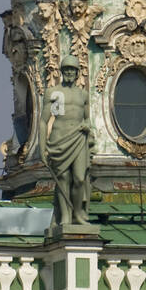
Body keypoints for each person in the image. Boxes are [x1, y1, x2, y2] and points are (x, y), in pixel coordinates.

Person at [39, 56, 94, 236]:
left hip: (78, 137)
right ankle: (65, 216)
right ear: (62, 72)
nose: (70, 72)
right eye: (67, 69)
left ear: (78, 73)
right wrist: (41, 148)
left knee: (79, 178)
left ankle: (78, 214)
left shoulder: (83, 95)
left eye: (73, 69)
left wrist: (88, 125)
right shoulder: (53, 93)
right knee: (62, 180)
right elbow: (43, 121)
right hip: (59, 139)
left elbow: (87, 118)